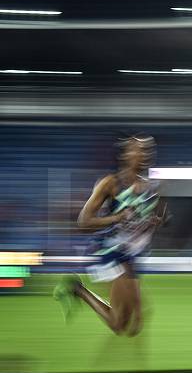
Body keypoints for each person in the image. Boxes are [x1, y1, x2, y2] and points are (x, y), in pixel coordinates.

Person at [53, 135, 165, 336]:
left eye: (149, 150)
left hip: (131, 256)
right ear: (126, 155)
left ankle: (78, 289)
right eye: (140, 149)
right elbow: (83, 222)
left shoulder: (150, 190)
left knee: (129, 327)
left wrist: (153, 223)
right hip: (109, 252)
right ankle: (77, 288)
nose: (146, 154)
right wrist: (117, 217)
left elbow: (141, 227)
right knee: (120, 324)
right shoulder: (111, 184)